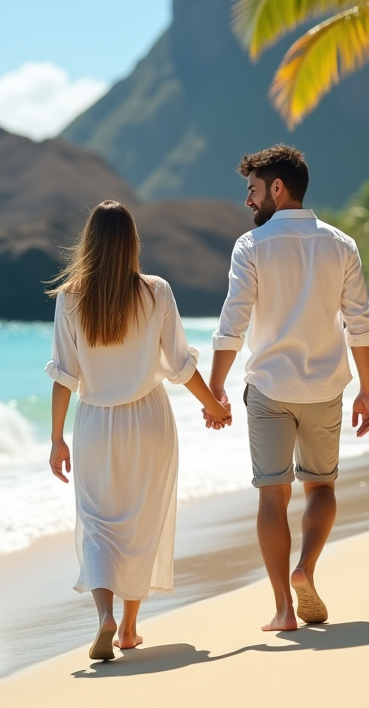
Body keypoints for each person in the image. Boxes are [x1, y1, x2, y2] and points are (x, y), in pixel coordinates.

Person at [46, 200, 232, 661]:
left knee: (98, 525)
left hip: (95, 423)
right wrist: (214, 407)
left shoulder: (70, 298)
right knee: (142, 522)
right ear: (132, 243)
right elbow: (180, 365)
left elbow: (64, 376)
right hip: (149, 420)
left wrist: (56, 439)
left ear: (89, 244)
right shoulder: (156, 291)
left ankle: (105, 616)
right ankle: (128, 629)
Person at [205, 144, 369, 632]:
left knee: (272, 496)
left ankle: (283, 608)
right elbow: (360, 324)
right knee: (320, 486)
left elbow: (233, 322)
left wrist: (215, 387)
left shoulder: (251, 246)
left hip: (269, 390)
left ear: (277, 188)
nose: (248, 200)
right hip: (324, 389)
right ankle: (306, 567)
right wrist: (367, 390)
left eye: (253, 190)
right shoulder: (342, 245)